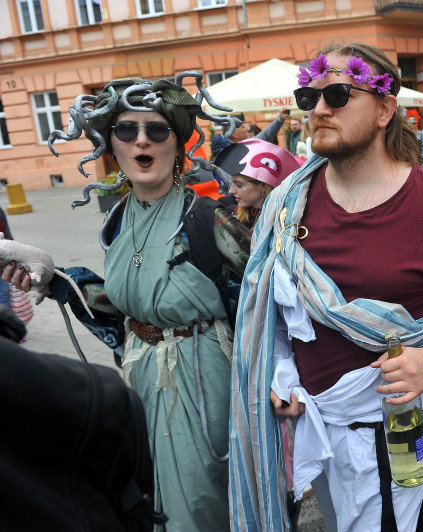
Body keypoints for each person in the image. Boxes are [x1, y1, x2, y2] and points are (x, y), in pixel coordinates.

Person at [229, 41, 423, 531]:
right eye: (309, 97)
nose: (319, 109)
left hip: (397, 432)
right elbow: (277, 312)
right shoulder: (289, 202)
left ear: (384, 110)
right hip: (320, 428)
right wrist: (282, 374)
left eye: (338, 95)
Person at [2, 74, 254, 531]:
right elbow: (123, 308)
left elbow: (269, 300)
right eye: (126, 130)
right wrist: (56, 278)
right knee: (149, 494)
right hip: (139, 379)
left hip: (204, 381)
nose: (142, 140)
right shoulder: (119, 219)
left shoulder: (207, 219)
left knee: (202, 502)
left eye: (157, 129)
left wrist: (282, 383)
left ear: (178, 144)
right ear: (110, 146)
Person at [214, 138, 299, 229]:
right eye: (232, 183)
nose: (231, 191)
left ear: (263, 186)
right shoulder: (235, 214)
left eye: (239, 185)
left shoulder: (282, 224)